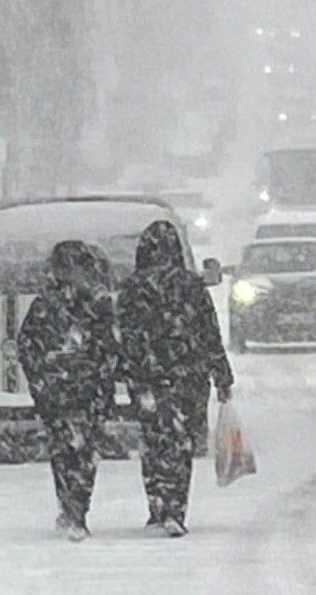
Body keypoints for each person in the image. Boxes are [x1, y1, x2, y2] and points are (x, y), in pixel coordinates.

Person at [117, 220, 234, 538]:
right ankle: (175, 506)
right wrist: (221, 374)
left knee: (153, 440)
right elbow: (209, 332)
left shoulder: (132, 288)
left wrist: (124, 370)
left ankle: (157, 504)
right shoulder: (191, 286)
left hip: (146, 378)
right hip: (188, 376)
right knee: (180, 443)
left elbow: (122, 335)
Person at [17, 240, 118, 542]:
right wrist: (103, 376)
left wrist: (40, 379)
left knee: (63, 451)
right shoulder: (96, 304)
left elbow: (26, 345)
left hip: (57, 392)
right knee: (84, 453)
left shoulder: (44, 304)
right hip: (88, 392)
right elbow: (111, 346)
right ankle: (77, 508)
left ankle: (70, 507)